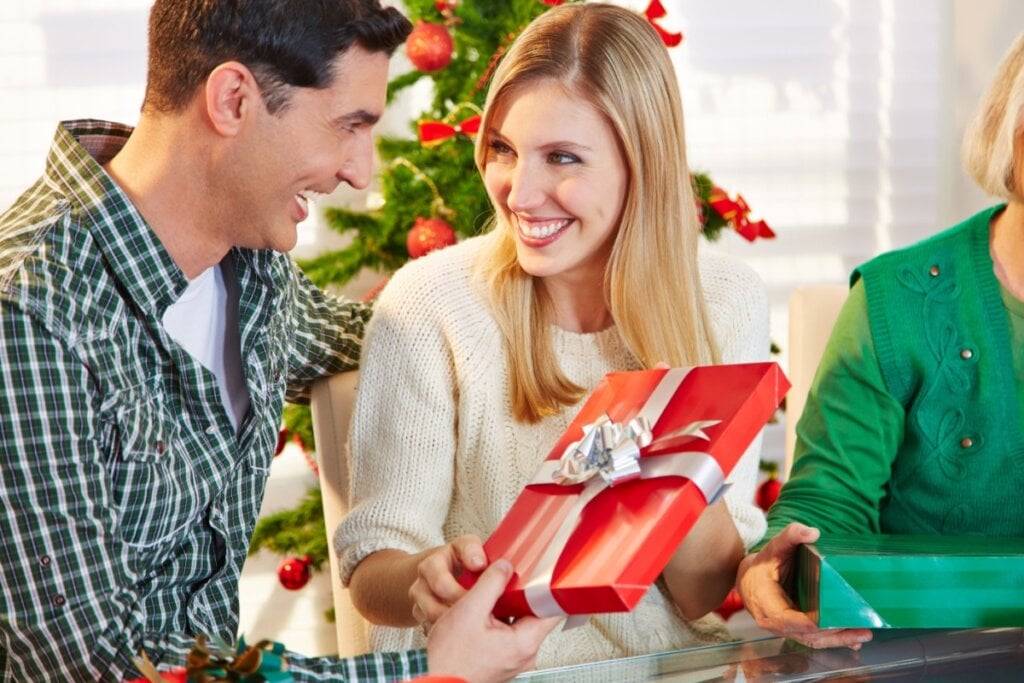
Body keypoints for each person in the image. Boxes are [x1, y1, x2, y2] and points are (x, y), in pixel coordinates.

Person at [0, 1, 556, 680]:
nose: (361, 171)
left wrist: (563, 291)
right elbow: (99, 669)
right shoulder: (30, 313)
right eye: (348, 126)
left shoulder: (252, 271)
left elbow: (392, 336)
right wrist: (430, 671)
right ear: (233, 99)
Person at [336, 2, 771, 670]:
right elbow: (372, 573)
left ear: (641, 164)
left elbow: (703, 592)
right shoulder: (431, 304)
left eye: (562, 158)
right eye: (505, 150)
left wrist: (672, 426)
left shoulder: (723, 300)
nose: (519, 192)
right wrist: (426, 576)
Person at [736, 30, 1024, 651]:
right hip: (925, 654)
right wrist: (774, 567)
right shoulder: (896, 299)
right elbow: (828, 503)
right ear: (1009, 133)